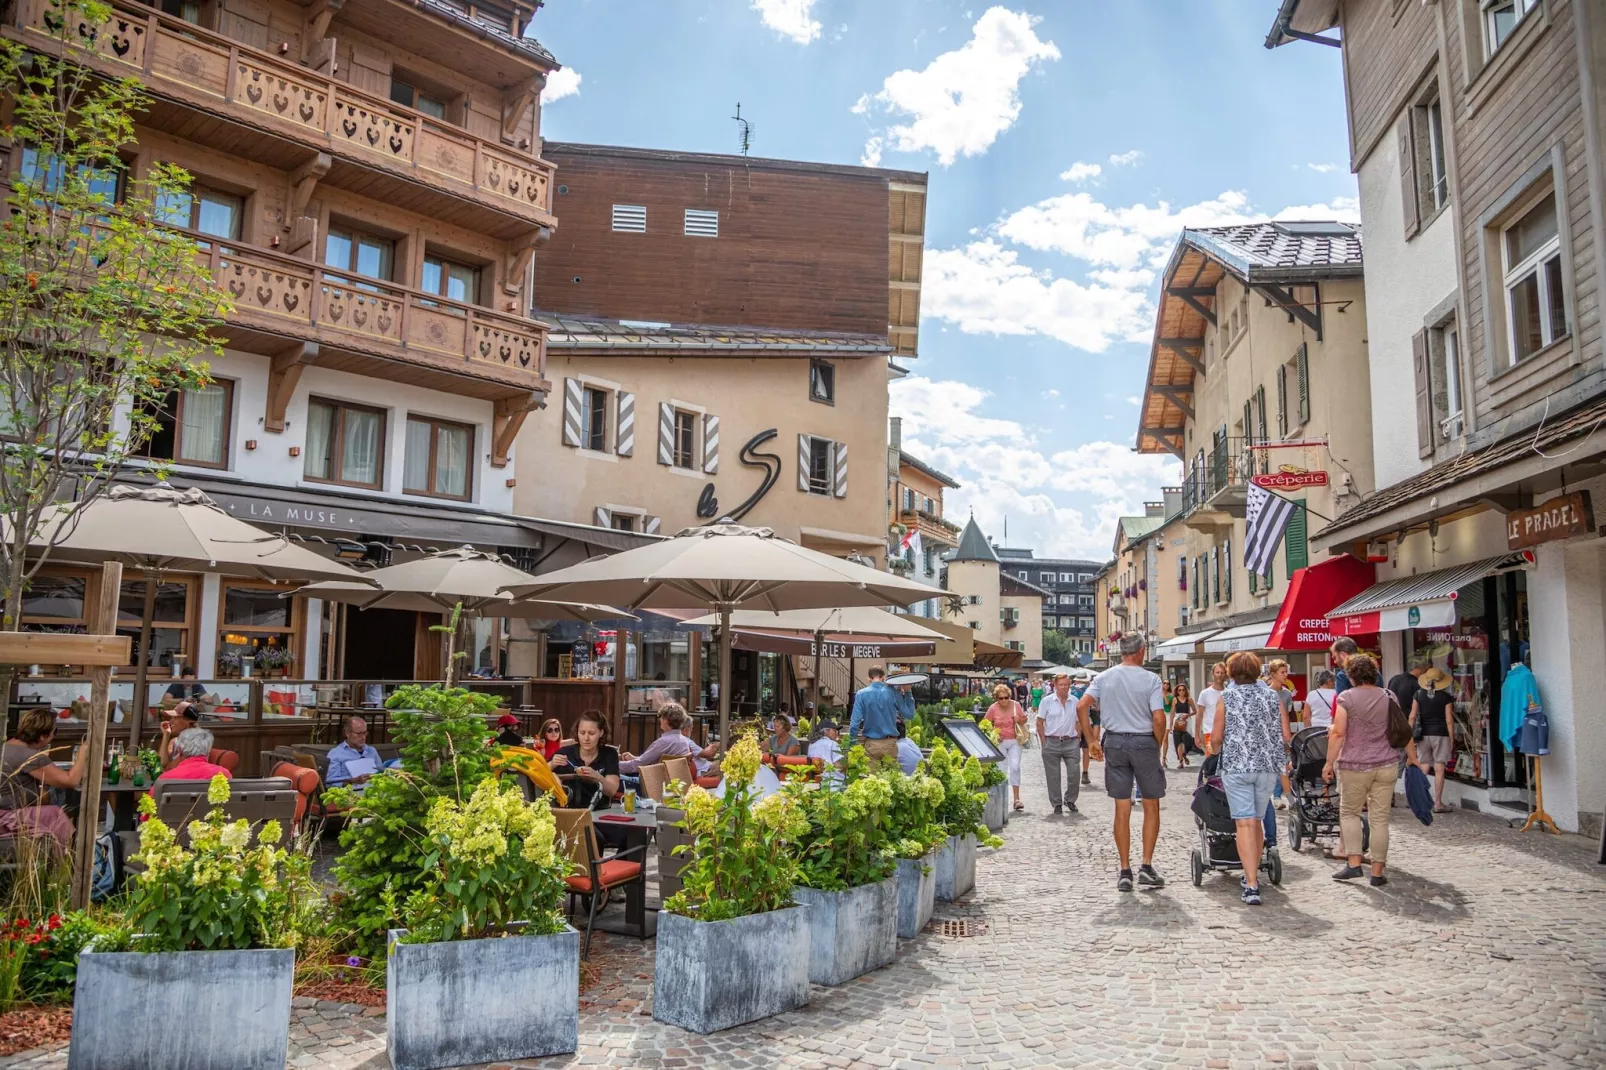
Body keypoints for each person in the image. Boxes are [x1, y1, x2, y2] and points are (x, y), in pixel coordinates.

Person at [1077, 633, 1167, 891]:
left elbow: (1082, 706)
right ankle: (1146, 866)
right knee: (1151, 805)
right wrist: (1157, 745)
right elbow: (1159, 719)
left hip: (1115, 741)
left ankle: (1124, 869)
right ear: (1141, 650)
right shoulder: (1150, 679)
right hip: (1143, 741)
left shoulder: (1104, 677)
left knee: (1122, 808)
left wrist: (1091, 740)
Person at [1324, 654, 1413, 886]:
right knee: (1380, 819)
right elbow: (1402, 728)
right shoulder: (1388, 695)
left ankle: (1354, 864)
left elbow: (1339, 732)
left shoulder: (1346, 697)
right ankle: (1377, 871)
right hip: (1386, 764)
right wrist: (1413, 758)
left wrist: (1328, 762)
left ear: (1351, 676)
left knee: (1350, 813)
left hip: (1354, 765)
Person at [1211, 652, 1286, 906]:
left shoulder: (1227, 697)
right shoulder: (1270, 696)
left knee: (1244, 823)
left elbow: (1217, 736)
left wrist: (1213, 747)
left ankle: (1251, 884)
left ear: (1231, 672)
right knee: (1256, 820)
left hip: (1237, 765)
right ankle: (1252, 875)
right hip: (1265, 766)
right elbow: (1279, 731)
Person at [0, 708, 88, 851]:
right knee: (55, 813)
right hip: (7, 818)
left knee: (50, 801)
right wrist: (84, 752)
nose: (54, 736)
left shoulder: (7, 746)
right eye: (55, 732)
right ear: (42, 736)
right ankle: (67, 858)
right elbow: (71, 781)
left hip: (6, 813)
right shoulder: (30, 756)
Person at [548, 711, 620, 810]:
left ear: (601, 733)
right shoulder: (565, 753)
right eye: (582, 733)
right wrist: (551, 764)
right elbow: (538, 774)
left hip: (599, 812)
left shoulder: (609, 754)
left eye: (591, 733)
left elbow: (612, 790)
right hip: (569, 812)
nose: (586, 738)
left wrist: (596, 776)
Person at [1410, 667, 1455, 813]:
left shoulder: (1418, 694)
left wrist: (1409, 736)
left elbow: (1412, 716)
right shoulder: (1445, 697)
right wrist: (1452, 738)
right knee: (1439, 767)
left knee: (1424, 765)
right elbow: (1449, 720)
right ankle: (1437, 803)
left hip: (1423, 734)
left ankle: (1420, 801)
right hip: (1441, 734)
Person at [1034, 672, 1081, 815]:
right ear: (1055, 685)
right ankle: (1056, 803)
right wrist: (1044, 742)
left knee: (1074, 773)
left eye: (1066, 684)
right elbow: (1039, 722)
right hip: (1051, 741)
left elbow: (1079, 721)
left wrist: (1078, 737)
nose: (1064, 687)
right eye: (1061, 685)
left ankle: (1070, 799)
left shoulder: (1075, 701)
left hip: (1070, 741)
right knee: (1053, 775)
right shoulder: (1047, 701)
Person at [618, 703, 702, 775]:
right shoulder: (684, 741)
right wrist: (634, 758)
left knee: (611, 777)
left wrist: (611, 766)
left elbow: (635, 766)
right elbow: (647, 760)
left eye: (660, 716)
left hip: (649, 784)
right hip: (670, 783)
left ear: (666, 720)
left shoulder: (663, 742)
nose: (659, 719)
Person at [983, 683, 1028, 812]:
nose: (1004, 700)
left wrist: (1019, 719)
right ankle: (1000, 799)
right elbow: (985, 723)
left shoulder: (1016, 705)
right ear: (996, 698)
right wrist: (993, 733)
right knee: (1001, 770)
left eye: (1006, 697)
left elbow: (1025, 720)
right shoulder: (993, 708)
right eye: (1001, 698)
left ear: (1009, 696)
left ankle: (1016, 799)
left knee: (1015, 767)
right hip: (1000, 742)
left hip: (1014, 740)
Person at [847, 667, 902, 764]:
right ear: (884, 677)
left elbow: (855, 723)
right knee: (891, 778)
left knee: (871, 778)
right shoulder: (893, 692)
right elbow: (908, 714)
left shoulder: (861, 694)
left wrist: (852, 743)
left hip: (871, 744)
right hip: (890, 743)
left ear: (868, 678)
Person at [155, 728, 233, 786]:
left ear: (179, 750)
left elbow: (152, 804)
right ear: (208, 750)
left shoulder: (165, 779)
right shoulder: (224, 774)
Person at [327, 715, 384, 788]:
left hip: (374, 792)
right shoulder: (336, 753)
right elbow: (329, 782)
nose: (363, 737)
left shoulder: (371, 750)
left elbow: (382, 773)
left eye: (364, 733)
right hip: (349, 793)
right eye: (359, 734)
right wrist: (351, 781)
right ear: (347, 733)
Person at [1195, 661, 1229, 756]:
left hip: (1226, 734)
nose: (1219, 675)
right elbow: (1199, 715)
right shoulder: (1205, 693)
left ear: (1225, 675)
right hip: (1209, 732)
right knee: (1211, 763)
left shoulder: (1229, 693)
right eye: (1217, 672)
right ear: (1213, 674)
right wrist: (1197, 735)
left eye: (1222, 673)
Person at [156, 700, 200, 771]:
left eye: (175, 718)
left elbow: (171, 768)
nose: (170, 721)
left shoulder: (199, 743)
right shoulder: (174, 741)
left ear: (188, 722)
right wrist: (166, 735)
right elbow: (162, 763)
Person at [1077, 673, 1099, 785]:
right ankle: (1085, 773)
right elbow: (1095, 707)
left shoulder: (1070, 691)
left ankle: (1074, 772)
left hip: (1072, 724)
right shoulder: (1089, 691)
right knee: (1086, 749)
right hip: (1086, 722)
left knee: (1073, 749)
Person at [807, 718, 845, 783]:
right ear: (826, 731)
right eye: (834, 730)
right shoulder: (833, 744)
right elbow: (838, 766)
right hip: (833, 781)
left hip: (815, 779)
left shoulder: (811, 745)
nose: (837, 733)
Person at [1170, 682, 1196, 768]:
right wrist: (1170, 725)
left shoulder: (1189, 699)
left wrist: (1188, 715)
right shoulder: (1175, 700)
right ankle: (1181, 762)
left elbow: (1195, 711)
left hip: (1186, 721)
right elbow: (1172, 712)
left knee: (1188, 741)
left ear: (1185, 691)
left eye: (1183, 690)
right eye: (1179, 690)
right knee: (1178, 742)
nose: (1181, 691)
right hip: (1177, 721)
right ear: (1177, 691)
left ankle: (1184, 754)